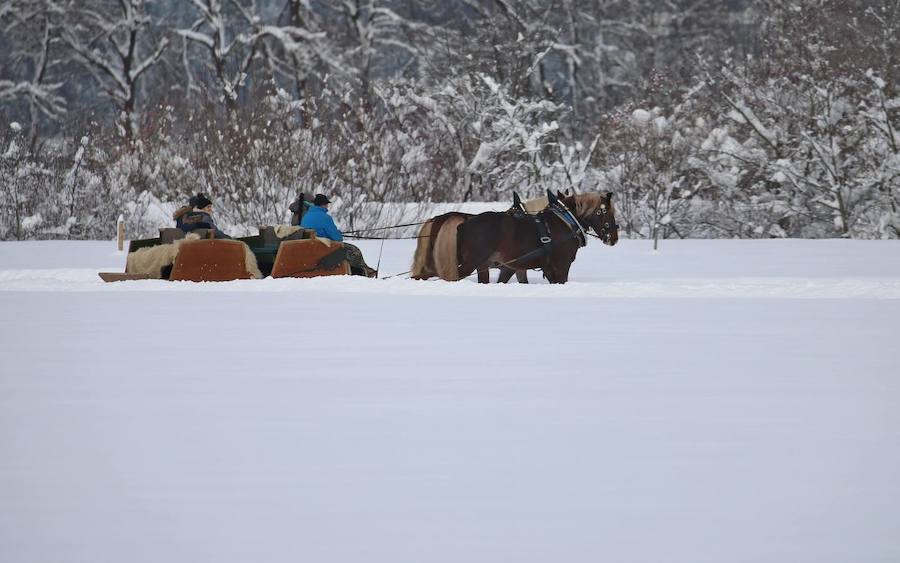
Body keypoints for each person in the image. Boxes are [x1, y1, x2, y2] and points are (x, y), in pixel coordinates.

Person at [300, 193, 375, 277]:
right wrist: (338, 233)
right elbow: (338, 238)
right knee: (354, 250)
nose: (327, 207)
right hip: (324, 249)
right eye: (327, 204)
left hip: (311, 248)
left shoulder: (306, 217)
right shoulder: (325, 218)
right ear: (323, 205)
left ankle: (362, 271)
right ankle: (364, 272)